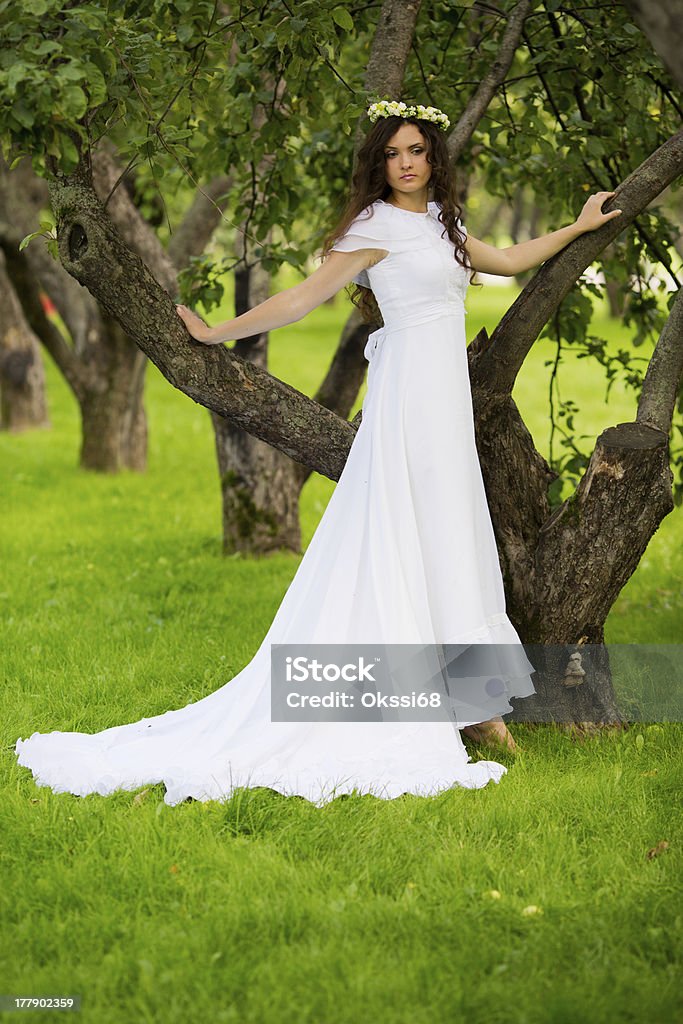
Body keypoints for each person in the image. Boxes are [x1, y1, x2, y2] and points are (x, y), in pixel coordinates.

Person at [15, 101, 622, 806]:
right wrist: (217, 331)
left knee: (453, 539)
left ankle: (477, 707)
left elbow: (509, 259)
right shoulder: (373, 229)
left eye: (417, 151)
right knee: (413, 538)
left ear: (433, 160)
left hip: (444, 410)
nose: (405, 162)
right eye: (393, 152)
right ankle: (458, 709)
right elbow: (303, 298)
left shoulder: (441, 224)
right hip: (407, 411)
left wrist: (579, 226)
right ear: (378, 162)